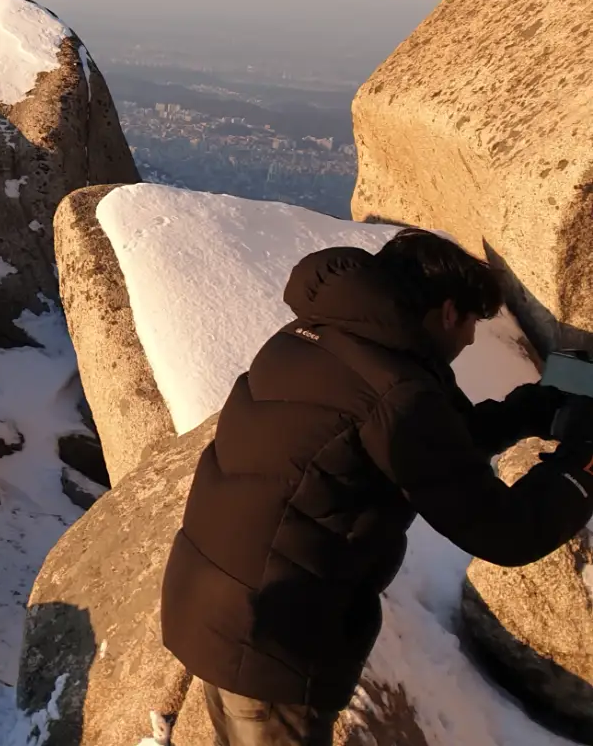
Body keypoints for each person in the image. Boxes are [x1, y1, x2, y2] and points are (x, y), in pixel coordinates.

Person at [160, 228, 593, 746]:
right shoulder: (398, 389)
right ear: (449, 311)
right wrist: (580, 464)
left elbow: (423, 445)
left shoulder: (311, 338)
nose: (474, 338)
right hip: (274, 636)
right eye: (475, 320)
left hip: (216, 605)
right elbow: (506, 531)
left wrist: (533, 408)